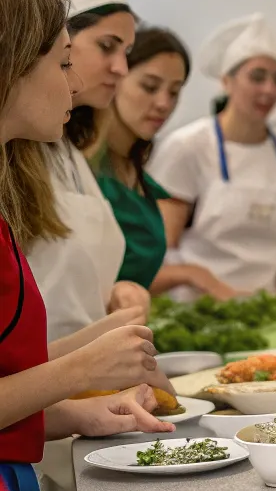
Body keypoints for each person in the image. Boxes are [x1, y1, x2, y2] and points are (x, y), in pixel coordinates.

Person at [0, 0, 173, 491]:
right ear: (14, 63)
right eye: (64, 60)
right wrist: (78, 374)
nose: (74, 83)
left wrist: (82, 409)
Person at [149, 14, 276, 300]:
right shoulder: (188, 147)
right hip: (196, 307)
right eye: (257, 77)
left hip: (268, 304)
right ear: (226, 81)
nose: (269, 89)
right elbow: (162, 247)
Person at [23, 0, 150, 340]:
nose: (121, 69)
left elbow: (64, 282)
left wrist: (116, 293)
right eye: (107, 47)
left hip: (80, 382)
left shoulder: (65, 151)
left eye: (126, 51)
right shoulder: (15, 153)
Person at [92, 27, 236, 299]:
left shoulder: (140, 175)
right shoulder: (85, 169)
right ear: (116, 78)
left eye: (174, 92)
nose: (163, 104)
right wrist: (189, 273)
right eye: (149, 86)